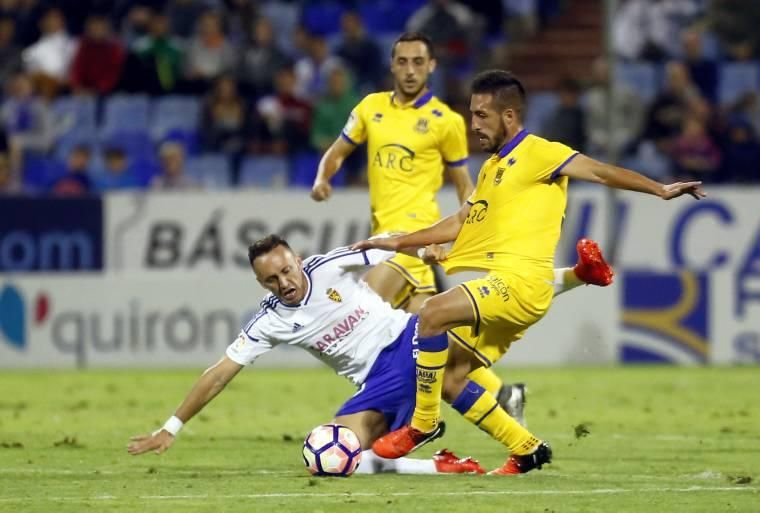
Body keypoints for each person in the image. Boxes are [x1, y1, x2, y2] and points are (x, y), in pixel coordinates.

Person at [353, 69, 705, 475]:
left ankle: (423, 424)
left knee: (430, 314)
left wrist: (659, 189)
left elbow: (601, 171)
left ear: (508, 116)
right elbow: (460, 221)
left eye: (482, 115)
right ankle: (526, 449)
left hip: (521, 285)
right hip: (504, 287)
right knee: (450, 377)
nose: (474, 124)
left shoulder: (540, 152)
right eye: (471, 114)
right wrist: (398, 242)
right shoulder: (490, 169)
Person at [127, 235, 486, 475]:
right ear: (260, 283)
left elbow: (391, 242)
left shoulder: (330, 266)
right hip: (373, 383)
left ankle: (439, 419)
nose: (283, 283)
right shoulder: (270, 320)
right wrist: (171, 427)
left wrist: (428, 251)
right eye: (271, 279)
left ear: (298, 261)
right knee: (328, 459)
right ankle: (438, 465)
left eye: (286, 270)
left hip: (407, 341)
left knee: (338, 454)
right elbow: (220, 373)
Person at [311, 32, 530, 426]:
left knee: (359, 310)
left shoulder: (445, 121)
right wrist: (322, 179)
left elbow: (464, 182)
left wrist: (470, 223)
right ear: (392, 65)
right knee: (428, 340)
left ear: (431, 66)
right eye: (403, 61)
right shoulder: (371, 108)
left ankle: (380, 412)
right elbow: (337, 151)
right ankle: (502, 394)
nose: (410, 70)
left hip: (410, 240)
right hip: (386, 238)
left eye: (418, 62)